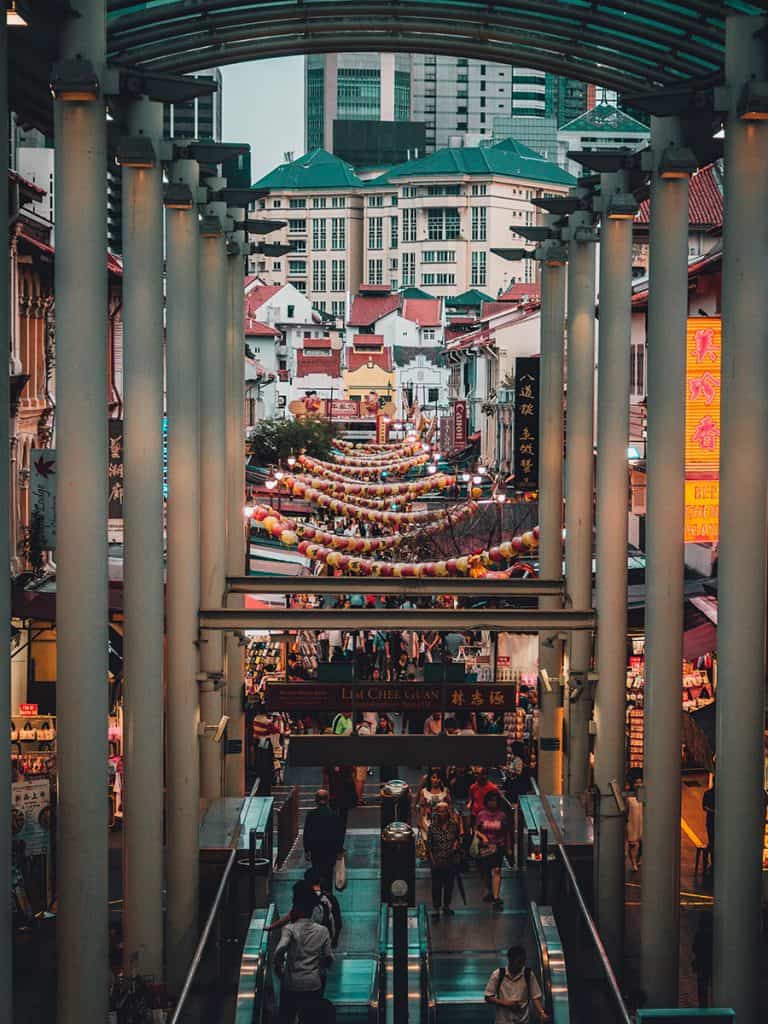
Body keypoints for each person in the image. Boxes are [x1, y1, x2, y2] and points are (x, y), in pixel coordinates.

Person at [274, 885, 334, 1024]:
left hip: (291, 983)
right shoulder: (323, 931)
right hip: (313, 984)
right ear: (312, 908)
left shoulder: (289, 929)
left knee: (287, 1016)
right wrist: (321, 969)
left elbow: (280, 949)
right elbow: (328, 958)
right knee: (311, 1018)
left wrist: (279, 968)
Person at [484, 945, 548, 1023]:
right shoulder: (498, 974)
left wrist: (541, 1012)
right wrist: (506, 1003)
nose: (522, 965)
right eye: (519, 962)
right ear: (510, 960)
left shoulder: (528, 974)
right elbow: (488, 997)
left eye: (523, 961)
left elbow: (535, 996)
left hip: (523, 1020)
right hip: (503, 1020)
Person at [474, 789, 511, 910]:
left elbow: (506, 832)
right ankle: (490, 890)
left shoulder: (502, 816)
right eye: (490, 801)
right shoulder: (481, 815)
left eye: (495, 801)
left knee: (496, 870)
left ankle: (496, 897)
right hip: (485, 847)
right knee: (485, 871)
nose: (492, 803)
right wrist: (482, 836)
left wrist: (508, 847)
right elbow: (476, 830)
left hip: (498, 846)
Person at [303, 790, 345, 892]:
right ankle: (328, 893)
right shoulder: (334, 815)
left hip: (316, 850)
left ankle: (318, 892)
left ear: (316, 800)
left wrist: (307, 850)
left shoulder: (311, 814)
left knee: (316, 871)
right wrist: (339, 850)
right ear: (327, 799)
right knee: (328, 873)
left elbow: (307, 833)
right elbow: (339, 834)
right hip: (330, 850)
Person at [426, 801, 462, 919]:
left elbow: (458, 839)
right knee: (436, 886)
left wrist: (457, 845)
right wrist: (432, 861)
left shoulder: (454, 825)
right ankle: (436, 908)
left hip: (450, 860)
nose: (442, 813)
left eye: (444, 811)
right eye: (439, 811)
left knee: (449, 885)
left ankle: (446, 906)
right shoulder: (432, 827)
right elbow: (429, 846)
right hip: (437, 860)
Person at [692, 910, 713, 1008]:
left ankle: (703, 1009)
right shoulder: (713, 935)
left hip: (701, 965)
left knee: (702, 991)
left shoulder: (699, 934)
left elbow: (694, 948)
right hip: (711, 965)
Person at [625, 781, 643, 873]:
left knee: (641, 844)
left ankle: (638, 860)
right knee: (633, 844)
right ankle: (633, 862)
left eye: (640, 783)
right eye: (637, 783)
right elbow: (626, 812)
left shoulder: (644, 798)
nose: (639, 785)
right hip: (632, 823)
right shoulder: (630, 799)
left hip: (641, 823)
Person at [702, 775, 715, 872]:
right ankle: (713, 862)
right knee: (713, 842)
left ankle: (712, 863)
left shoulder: (707, 794)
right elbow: (704, 807)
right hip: (712, 821)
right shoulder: (722, 795)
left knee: (712, 842)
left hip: (710, 821)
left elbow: (704, 807)